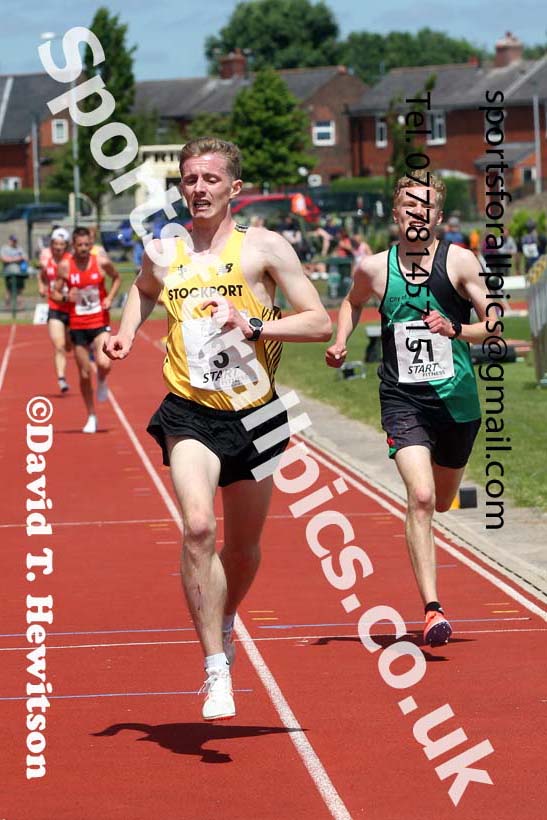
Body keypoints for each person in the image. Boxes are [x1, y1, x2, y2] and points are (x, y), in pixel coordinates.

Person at [104, 137, 331, 720]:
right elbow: (143, 289)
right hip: (190, 410)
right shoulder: (165, 249)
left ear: (235, 188)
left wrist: (253, 323)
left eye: (209, 179)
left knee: (245, 548)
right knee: (198, 526)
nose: (198, 189)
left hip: (256, 414)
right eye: (189, 179)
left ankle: (224, 618)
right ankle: (215, 668)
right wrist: (127, 331)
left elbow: (319, 323)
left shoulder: (264, 247)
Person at [326, 170, 494, 647]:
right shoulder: (376, 268)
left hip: (457, 400)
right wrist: (341, 340)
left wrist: (456, 331)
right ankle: (433, 609)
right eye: (408, 206)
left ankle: (454, 496)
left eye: (426, 207)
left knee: (441, 499)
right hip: (402, 398)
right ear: (395, 213)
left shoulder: (459, 262)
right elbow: (351, 303)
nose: (417, 213)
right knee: (420, 498)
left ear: (438, 216)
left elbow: (493, 323)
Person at [55, 227, 121, 433]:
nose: (83, 249)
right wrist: (66, 298)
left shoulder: (101, 262)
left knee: (104, 362)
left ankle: (101, 379)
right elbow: (54, 293)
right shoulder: (66, 266)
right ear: (73, 246)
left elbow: (117, 278)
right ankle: (92, 416)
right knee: (84, 374)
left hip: (100, 321)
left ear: (90, 245)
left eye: (87, 245)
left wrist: (109, 298)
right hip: (77, 325)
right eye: (79, 245)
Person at [39, 227, 72, 393]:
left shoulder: (71, 261)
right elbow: (42, 275)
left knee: (68, 346)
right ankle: (61, 378)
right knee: (59, 346)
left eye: (62, 244)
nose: (58, 247)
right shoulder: (48, 261)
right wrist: (42, 286)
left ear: (66, 245)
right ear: (52, 244)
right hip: (55, 308)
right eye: (56, 244)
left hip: (72, 309)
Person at [2, 234, 28, 309]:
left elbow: (25, 258)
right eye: (13, 240)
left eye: (15, 241)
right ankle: (7, 306)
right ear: (9, 241)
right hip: (9, 273)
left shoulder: (19, 248)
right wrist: (17, 259)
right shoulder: (5, 248)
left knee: (19, 290)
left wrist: (13, 259)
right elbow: (4, 259)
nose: (14, 242)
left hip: (19, 272)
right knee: (9, 290)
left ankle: (21, 306)